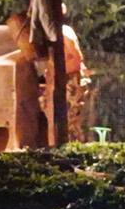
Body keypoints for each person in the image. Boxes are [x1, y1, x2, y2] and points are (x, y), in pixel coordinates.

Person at [5, 11, 91, 141]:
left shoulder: (64, 33)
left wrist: (58, 72)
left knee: (70, 120)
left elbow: (77, 59)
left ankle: (73, 152)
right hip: (63, 80)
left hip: (71, 80)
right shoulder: (53, 35)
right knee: (55, 117)